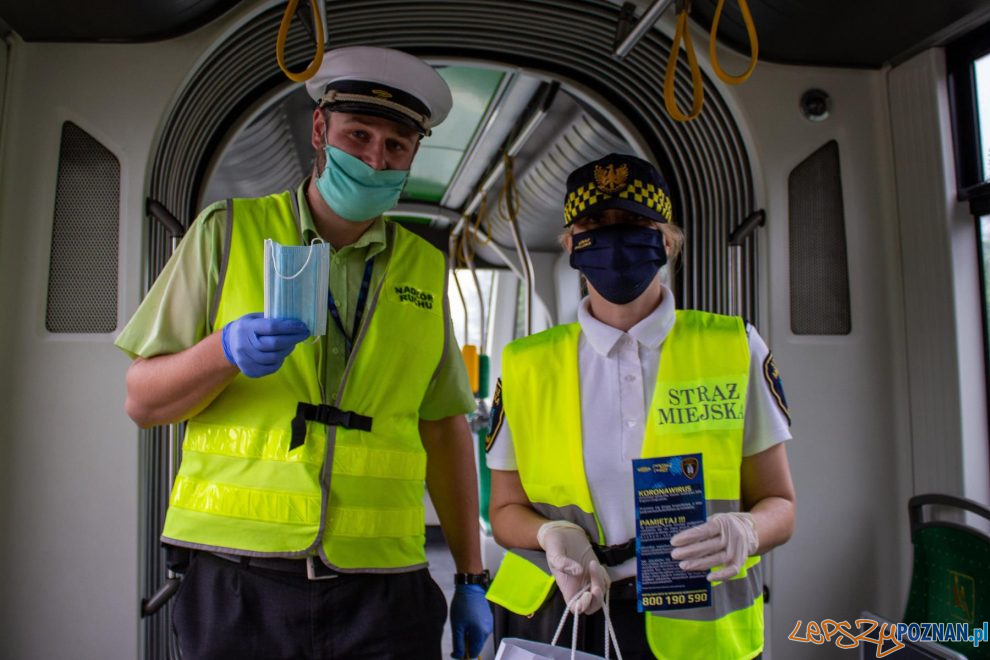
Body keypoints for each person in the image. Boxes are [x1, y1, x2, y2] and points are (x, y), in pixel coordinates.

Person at [116, 46, 493, 660]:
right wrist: (223, 351)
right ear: (320, 131)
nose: (375, 158)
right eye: (359, 135)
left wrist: (472, 577)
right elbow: (142, 400)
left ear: (413, 156)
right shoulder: (227, 231)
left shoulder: (424, 268)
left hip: (385, 584)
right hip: (239, 578)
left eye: (396, 146)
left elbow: (445, 424)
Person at [484, 153, 796, 659]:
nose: (613, 238)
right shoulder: (526, 366)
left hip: (700, 629)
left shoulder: (735, 348)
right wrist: (552, 532)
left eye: (632, 223)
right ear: (570, 245)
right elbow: (502, 511)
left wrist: (747, 528)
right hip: (568, 617)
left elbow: (780, 504)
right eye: (594, 224)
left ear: (667, 241)